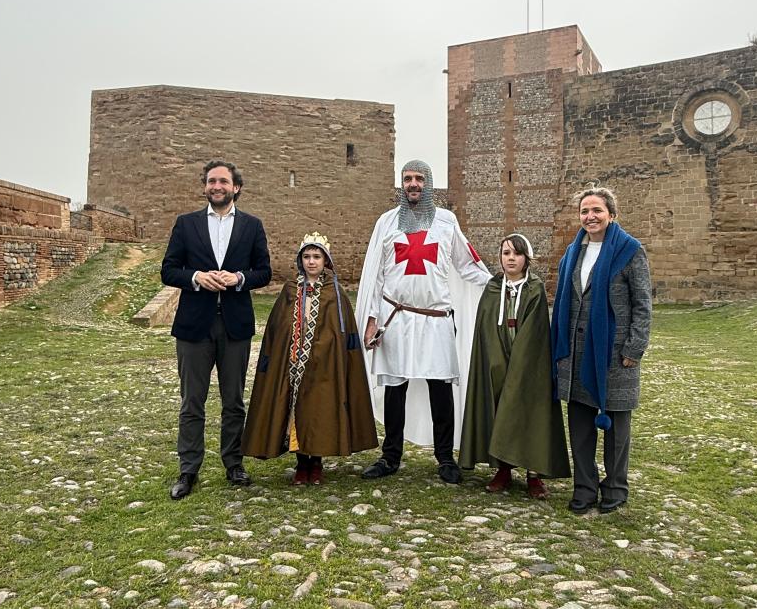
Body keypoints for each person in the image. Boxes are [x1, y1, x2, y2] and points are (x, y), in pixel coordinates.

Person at [355, 160, 490, 484]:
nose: (413, 184)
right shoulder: (387, 223)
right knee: (394, 389)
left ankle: (445, 458)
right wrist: (372, 319)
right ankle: (390, 456)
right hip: (397, 318)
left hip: (435, 319)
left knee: (440, 388)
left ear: (428, 183)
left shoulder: (446, 221)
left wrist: (499, 282)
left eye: (419, 178)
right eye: (408, 178)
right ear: (402, 184)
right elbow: (376, 276)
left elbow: (466, 264)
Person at [160, 160, 272, 500]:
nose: (217, 186)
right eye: (211, 181)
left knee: (234, 400)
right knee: (191, 401)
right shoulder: (186, 224)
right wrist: (196, 278)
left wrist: (239, 279)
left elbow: (264, 272)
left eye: (223, 181)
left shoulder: (252, 226)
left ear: (235, 186)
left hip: (235, 324)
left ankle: (233, 462)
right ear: (205, 187)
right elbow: (169, 270)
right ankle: (188, 469)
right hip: (194, 325)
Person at [240, 232, 377, 484]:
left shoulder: (334, 293)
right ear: (299, 260)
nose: (311, 262)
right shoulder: (290, 289)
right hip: (292, 364)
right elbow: (276, 328)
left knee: (320, 411)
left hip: (325, 366)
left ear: (326, 260)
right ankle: (301, 463)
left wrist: (331, 354)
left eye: (317, 256)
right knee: (296, 410)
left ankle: (316, 463)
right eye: (306, 256)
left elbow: (343, 331)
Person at [551, 187, 652, 514]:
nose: (590, 217)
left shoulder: (630, 251)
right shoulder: (572, 253)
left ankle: (615, 488)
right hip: (577, 352)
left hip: (614, 354)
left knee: (617, 429)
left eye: (596, 210)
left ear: (611, 214)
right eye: (584, 211)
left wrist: (634, 349)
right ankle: (584, 487)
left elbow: (643, 305)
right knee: (579, 426)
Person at [460, 234, 570, 498]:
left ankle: (534, 474)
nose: (511, 258)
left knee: (531, 412)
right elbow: (485, 328)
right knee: (499, 408)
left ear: (526, 258)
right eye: (506, 253)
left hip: (529, 361)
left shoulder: (535, 288)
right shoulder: (492, 288)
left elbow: (536, 330)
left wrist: (519, 364)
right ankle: (503, 468)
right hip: (497, 358)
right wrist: (496, 359)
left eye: (516, 254)